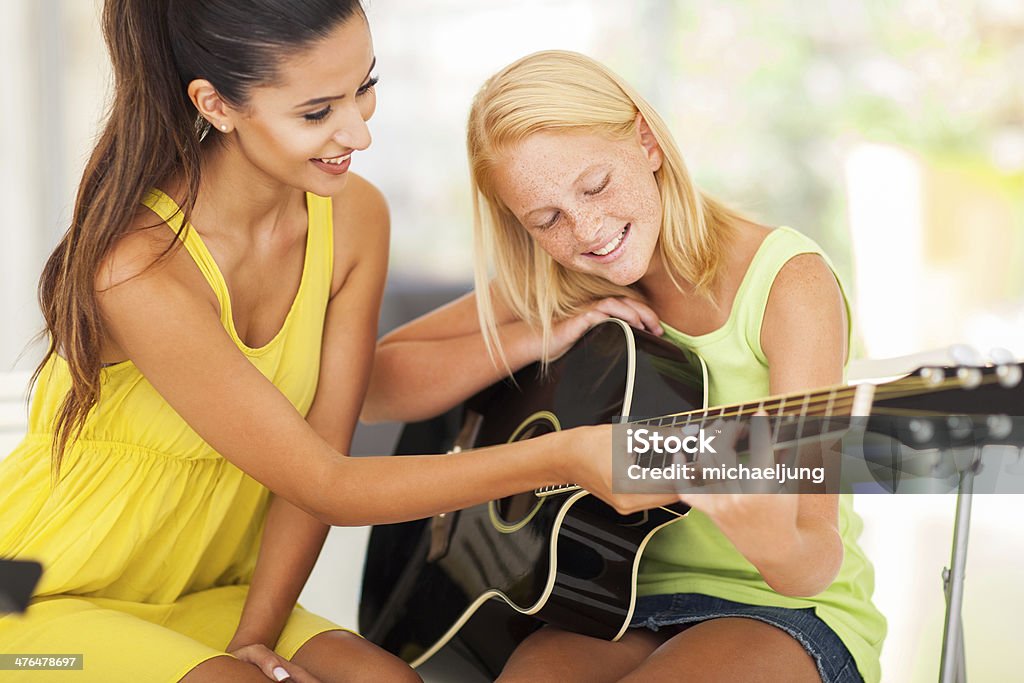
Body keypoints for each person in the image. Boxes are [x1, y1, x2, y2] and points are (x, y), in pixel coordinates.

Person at [0, 6, 669, 682]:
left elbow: (325, 452)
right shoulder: (139, 268)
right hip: (36, 599)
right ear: (216, 105)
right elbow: (329, 482)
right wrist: (565, 457)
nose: (359, 132)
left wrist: (255, 637)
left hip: (210, 592)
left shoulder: (353, 217)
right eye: (317, 111)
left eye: (364, 87)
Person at [364, 50, 886, 683]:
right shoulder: (559, 277)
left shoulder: (788, 283)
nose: (588, 229)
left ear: (647, 142)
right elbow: (373, 387)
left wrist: (758, 525)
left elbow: (813, 560)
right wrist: (541, 335)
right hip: (618, 603)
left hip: (785, 608)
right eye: (547, 218)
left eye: (595, 186)